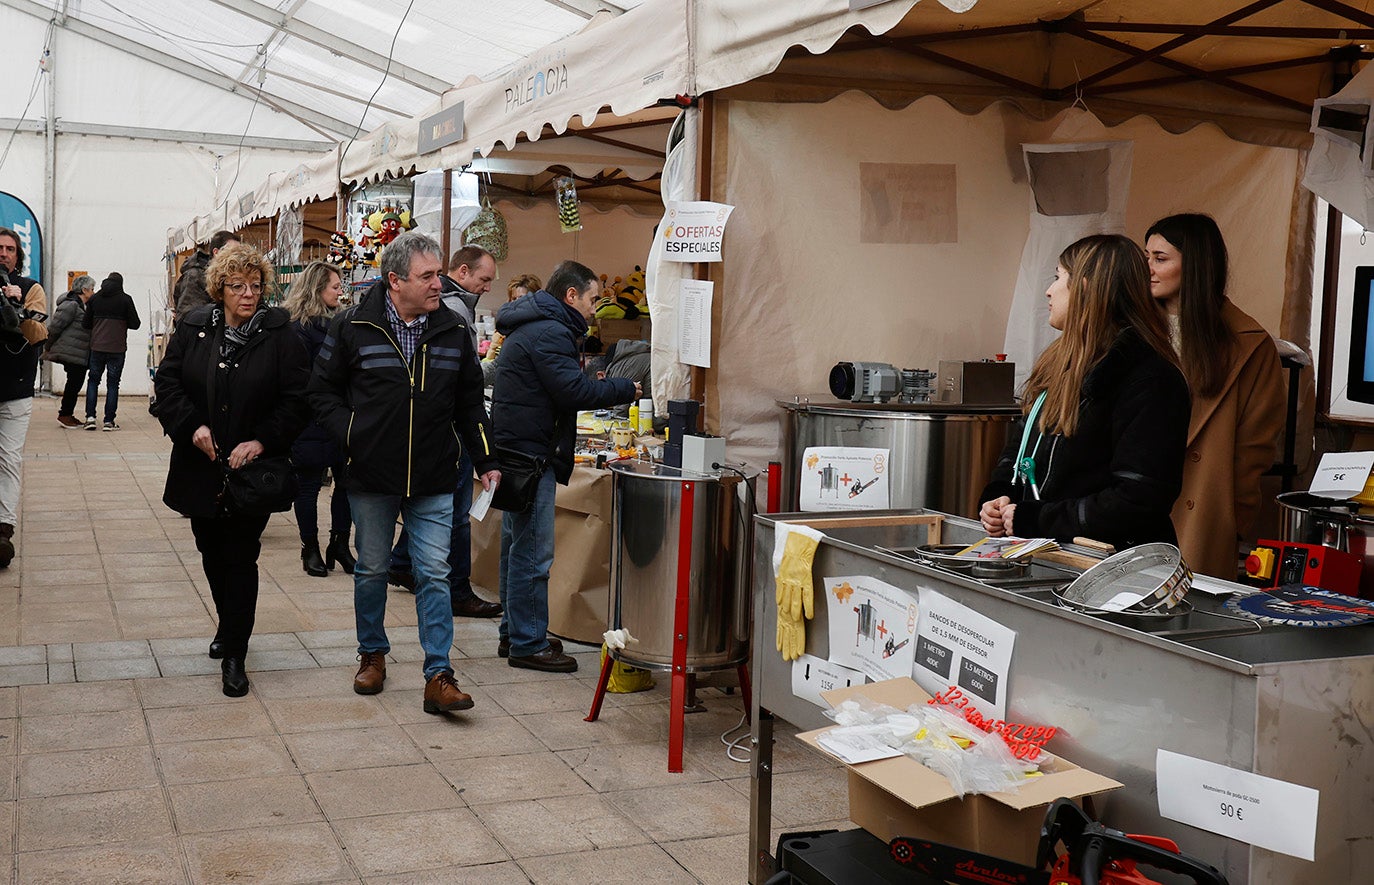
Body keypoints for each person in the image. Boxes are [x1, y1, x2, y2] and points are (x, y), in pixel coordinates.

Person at [310, 230, 499, 713]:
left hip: (436, 475)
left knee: (434, 571)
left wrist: (484, 459)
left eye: (439, 274)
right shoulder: (352, 326)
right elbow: (321, 393)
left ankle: (439, 673)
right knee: (371, 568)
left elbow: (470, 404)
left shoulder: (454, 332)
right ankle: (372, 652)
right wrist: (352, 433)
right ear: (395, 281)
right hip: (371, 475)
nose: (440, 284)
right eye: (429, 276)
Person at [153, 242, 309, 697]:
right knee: (208, 547)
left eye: (256, 286)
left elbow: (298, 399)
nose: (248, 294)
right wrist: (192, 426)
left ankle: (236, 652)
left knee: (241, 554)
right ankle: (229, 621)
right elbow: (168, 384)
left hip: (251, 466)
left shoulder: (281, 333)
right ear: (219, 288)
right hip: (201, 463)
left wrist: (262, 440)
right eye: (238, 286)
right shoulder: (196, 327)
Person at [979, 234, 1190, 550]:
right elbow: (1021, 449)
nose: (1049, 291)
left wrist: (1037, 519)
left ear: (1088, 289)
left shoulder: (1151, 378)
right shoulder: (1059, 362)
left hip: (1112, 573)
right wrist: (1000, 496)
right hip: (1047, 558)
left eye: (1058, 277)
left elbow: (1138, 499)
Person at [493, 260, 639, 671]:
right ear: (570, 295)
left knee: (516, 547)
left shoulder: (537, 323)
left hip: (519, 450)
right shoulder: (551, 331)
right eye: (593, 298)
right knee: (532, 553)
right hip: (531, 454)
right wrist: (624, 387)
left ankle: (516, 632)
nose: (596, 307)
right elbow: (571, 390)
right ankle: (527, 642)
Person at [1145, 214, 1286, 578]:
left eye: (1160, 259)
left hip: (1200, 513)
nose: (1148, 268)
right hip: (1130, 508)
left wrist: (1232, 520)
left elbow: (1255, 447)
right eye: (1146, 258)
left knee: (1181, 626)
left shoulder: (1250, 344)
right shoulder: (1130, 330)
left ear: (1194, 266)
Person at [385, 245, 503, 617]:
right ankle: (455, 590)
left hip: (440, 433)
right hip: (443, 436)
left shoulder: (451, 307)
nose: (487, 287)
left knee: (434, 518)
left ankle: (403, 564)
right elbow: (462, 383)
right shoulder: (450, 310)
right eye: (484, 279)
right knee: (452, 518)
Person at [285, 261, 355, 577]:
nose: (341, 292)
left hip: (340, 419)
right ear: (317, 289)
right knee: (309, 486)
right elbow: (300, 379)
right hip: (310, 419)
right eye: (335, 287)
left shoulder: (341, 324)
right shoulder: (298, 329)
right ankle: (309, 548)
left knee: (347, 483)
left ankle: (339, 544)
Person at [0, 227, 48, 568]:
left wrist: (18, 306)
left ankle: (4, 531)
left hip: (15, 390)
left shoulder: (32, 289)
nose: (3, 253)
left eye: (10, 248)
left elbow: (38, 336)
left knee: (9, 460)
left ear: (19, 255)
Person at [81, 272, 141, 430]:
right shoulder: (125, 299)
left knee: (93, 381)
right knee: (113, 384)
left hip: (97, 348)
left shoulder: (94, 299)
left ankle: (90, 418)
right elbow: (136, 324)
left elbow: (85, 324)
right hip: (117, 349)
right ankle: (109, 421)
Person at [44, 274, 95, 427]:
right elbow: (55, 326)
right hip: (70, 352)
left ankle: (67, 413)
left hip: (77, 352)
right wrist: (48, 346)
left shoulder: (81, 305)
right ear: (84, 290)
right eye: (92, 289)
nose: (93, 292)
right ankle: (65, 414)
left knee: (74, 383)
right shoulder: (70, 305)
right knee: (74, 383)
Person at [174, 230, 240, 322]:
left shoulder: (235, 277)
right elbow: (188, 317)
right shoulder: (195, 276)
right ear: (216, 252)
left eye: (239, 254)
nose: (236, 258)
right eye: (232, 252)